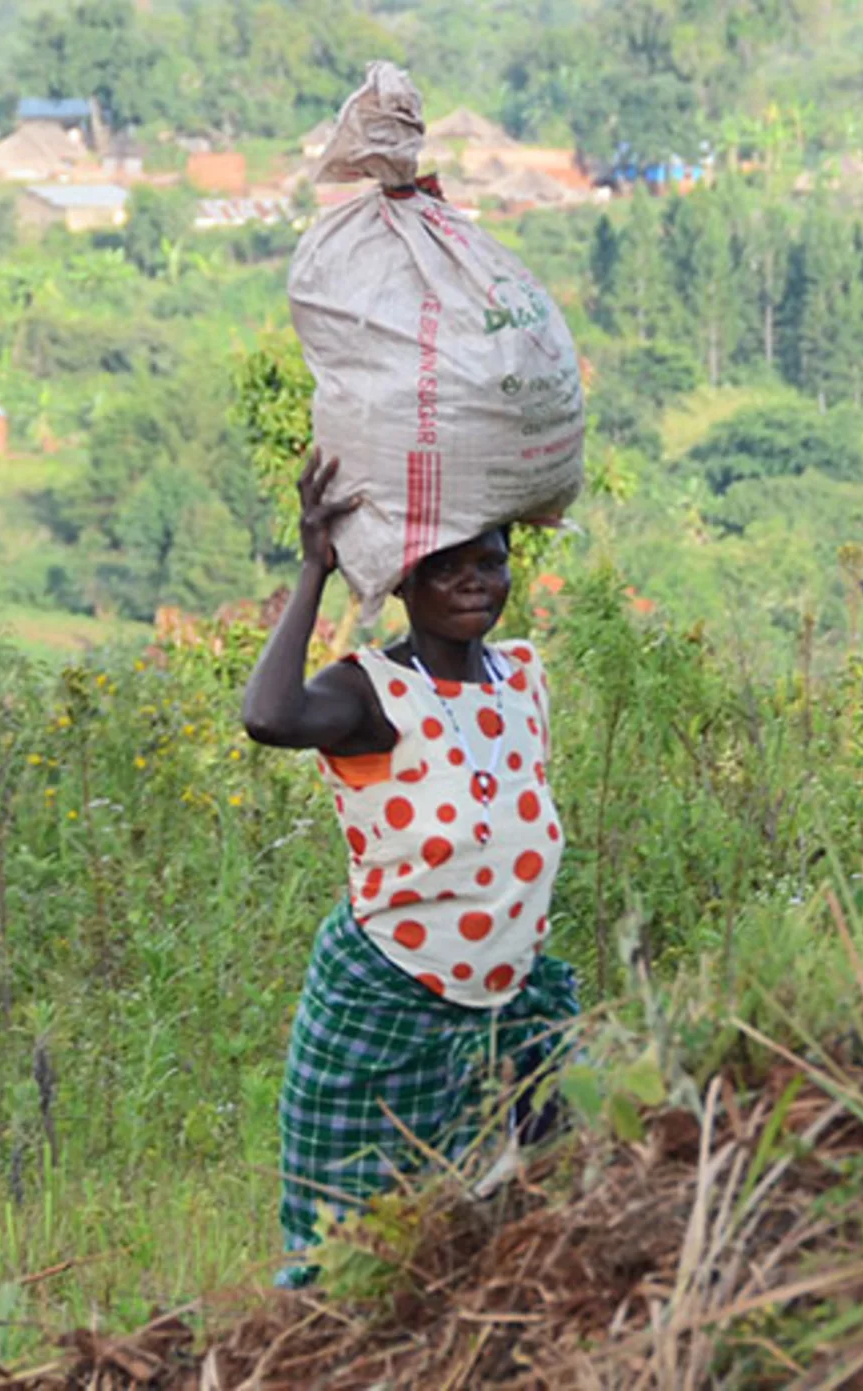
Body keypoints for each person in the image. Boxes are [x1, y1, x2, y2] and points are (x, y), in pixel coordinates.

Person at [241, 451, 579, 1283]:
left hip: (512, 1003)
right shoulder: (372, 694)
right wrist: (315, 568)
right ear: (403, 583)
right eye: (446, 567)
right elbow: (268, 715)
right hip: (387, 1008)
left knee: (519, 1228)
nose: (474, 582)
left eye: (490, 561)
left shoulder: (523, 677)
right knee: (345, 1247)